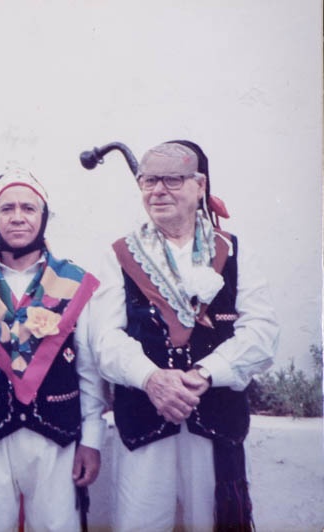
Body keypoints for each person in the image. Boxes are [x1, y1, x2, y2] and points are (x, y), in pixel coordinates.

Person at [93, 141, 279, 531]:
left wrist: (206, 373)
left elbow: (261, 332)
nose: (158, 191)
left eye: (173, 180)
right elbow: (106, 340)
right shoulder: (118, 255)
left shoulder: (234, 251)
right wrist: (152, 378)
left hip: (216, 420)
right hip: (144, 420)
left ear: (200, 186)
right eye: (149, 181)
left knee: (212, 522)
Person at [0, 169, 107, 531]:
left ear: (44, 216)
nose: (17, 217)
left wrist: (92, 440)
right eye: (7, 208)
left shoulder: (73, 282)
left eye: (28, 208)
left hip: (57, 439)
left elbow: (88, 371)